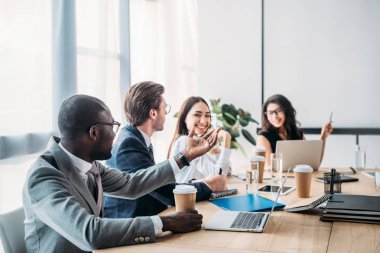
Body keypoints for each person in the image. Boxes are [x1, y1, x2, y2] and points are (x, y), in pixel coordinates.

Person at [22, 94, 222, 252]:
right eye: (113, 126)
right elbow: (90, 232)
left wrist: (184, 156)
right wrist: (166, 222)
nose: (116, 133)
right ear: (94, 132)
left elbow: (131, 184)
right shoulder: (44, 176)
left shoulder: (90, 165)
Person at [103, 82, 227, 219]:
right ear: (153, 113)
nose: (166, 114)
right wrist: (208, 185)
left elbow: (157, 186)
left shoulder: (135, 137)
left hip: (147, 216)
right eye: (165, 109)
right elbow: (166, 193)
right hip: (130, 226)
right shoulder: (129, 143)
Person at [168, 96, 232, 183]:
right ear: (184, 118)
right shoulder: (185, 142)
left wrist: (216, 149)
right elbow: (219, 176)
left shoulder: (197, 141)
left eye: (207, 115)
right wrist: (226, 138)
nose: (203, 121)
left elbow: (227, 172)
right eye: (197, 115)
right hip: (188, 196)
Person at [256, 94, 333, 166]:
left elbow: (313, 164)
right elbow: (269, 169)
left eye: (279, 111)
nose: (274, 116)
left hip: (299, 178)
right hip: (279, 180)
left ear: (287, 111)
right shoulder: (263, 137)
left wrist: (323, 137)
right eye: (270, 113)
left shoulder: (298, 133)